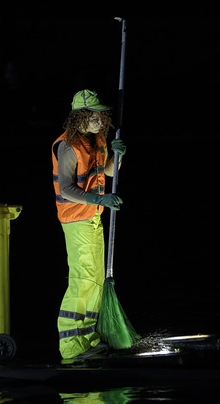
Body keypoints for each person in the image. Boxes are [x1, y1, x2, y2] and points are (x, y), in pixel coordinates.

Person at [51, 89, 127, 359]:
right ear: (80, 117)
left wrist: (116, 156)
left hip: (93, 215)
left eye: (101, 115)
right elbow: (66, 189)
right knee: (82, 279)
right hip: (76, 218)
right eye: (93, 115)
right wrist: (100, 198)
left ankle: (88, 338)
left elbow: (107, 171)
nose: (99, 120)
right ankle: (71, 346)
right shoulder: (68, 146)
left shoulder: (97, 140)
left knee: (95, 279)